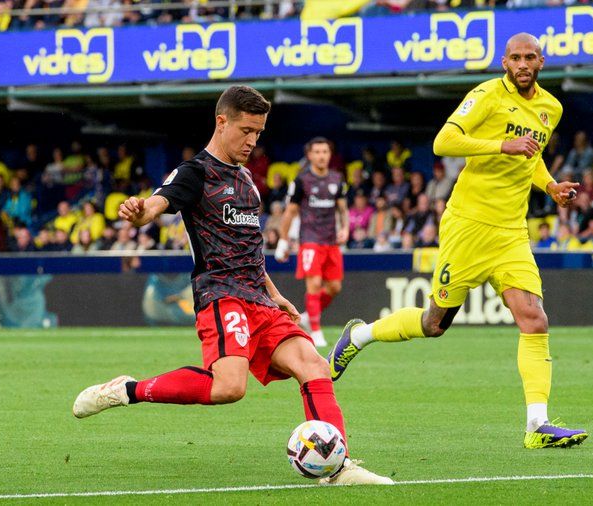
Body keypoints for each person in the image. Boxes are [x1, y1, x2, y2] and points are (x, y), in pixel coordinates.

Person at [72, 86, 389, 485]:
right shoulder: (195, 173)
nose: (253, 141)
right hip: (220, 296)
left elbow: (250, 251)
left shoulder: (247, 183)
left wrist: (275, 295)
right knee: (229, 387)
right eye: (246, 130)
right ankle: (128, 389)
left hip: (259, 297)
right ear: (221, 122)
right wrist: (140, 212)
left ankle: (337, 467)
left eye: (259, 132)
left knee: (313, 365)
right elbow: (159, 201)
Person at [327, 33, 587, 449]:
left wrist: (551, 186)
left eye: (530, 58)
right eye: (515, 58)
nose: (522, 64)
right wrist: (501, 144)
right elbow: (443, 141)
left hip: (511, 232)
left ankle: (537, 426)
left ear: (541, 61)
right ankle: (359, 336)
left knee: (534, 317)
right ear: (504, 62)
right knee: (435, 324)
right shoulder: (485, 95)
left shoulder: (550, 107)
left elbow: (531, 156)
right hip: (467, 226)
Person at [275, 137, 350, 347]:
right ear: (309, 155)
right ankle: (316, 331)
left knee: (334, 287)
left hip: (331, 241)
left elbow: (343, 209)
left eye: (325, 152)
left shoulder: (337, 179)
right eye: (317, 152)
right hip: (309, 240)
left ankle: (308, 317)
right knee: (314, 284)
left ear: (330, 154)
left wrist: (345, 228)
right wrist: (283, 239)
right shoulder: (301, 181)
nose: (321, 156)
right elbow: (290, 213)